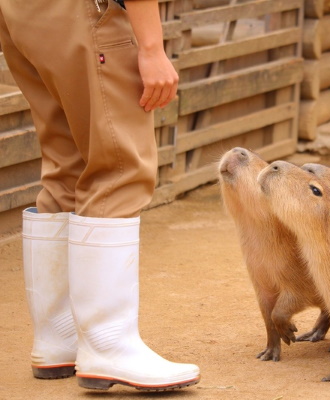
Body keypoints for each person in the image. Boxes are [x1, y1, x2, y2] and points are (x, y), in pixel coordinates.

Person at [0, 0, 200, 391]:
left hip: (22, 13)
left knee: (68, 163)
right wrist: (151, 47)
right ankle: (108, 346)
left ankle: (59, 336)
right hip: (83, 13)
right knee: (120, 167)